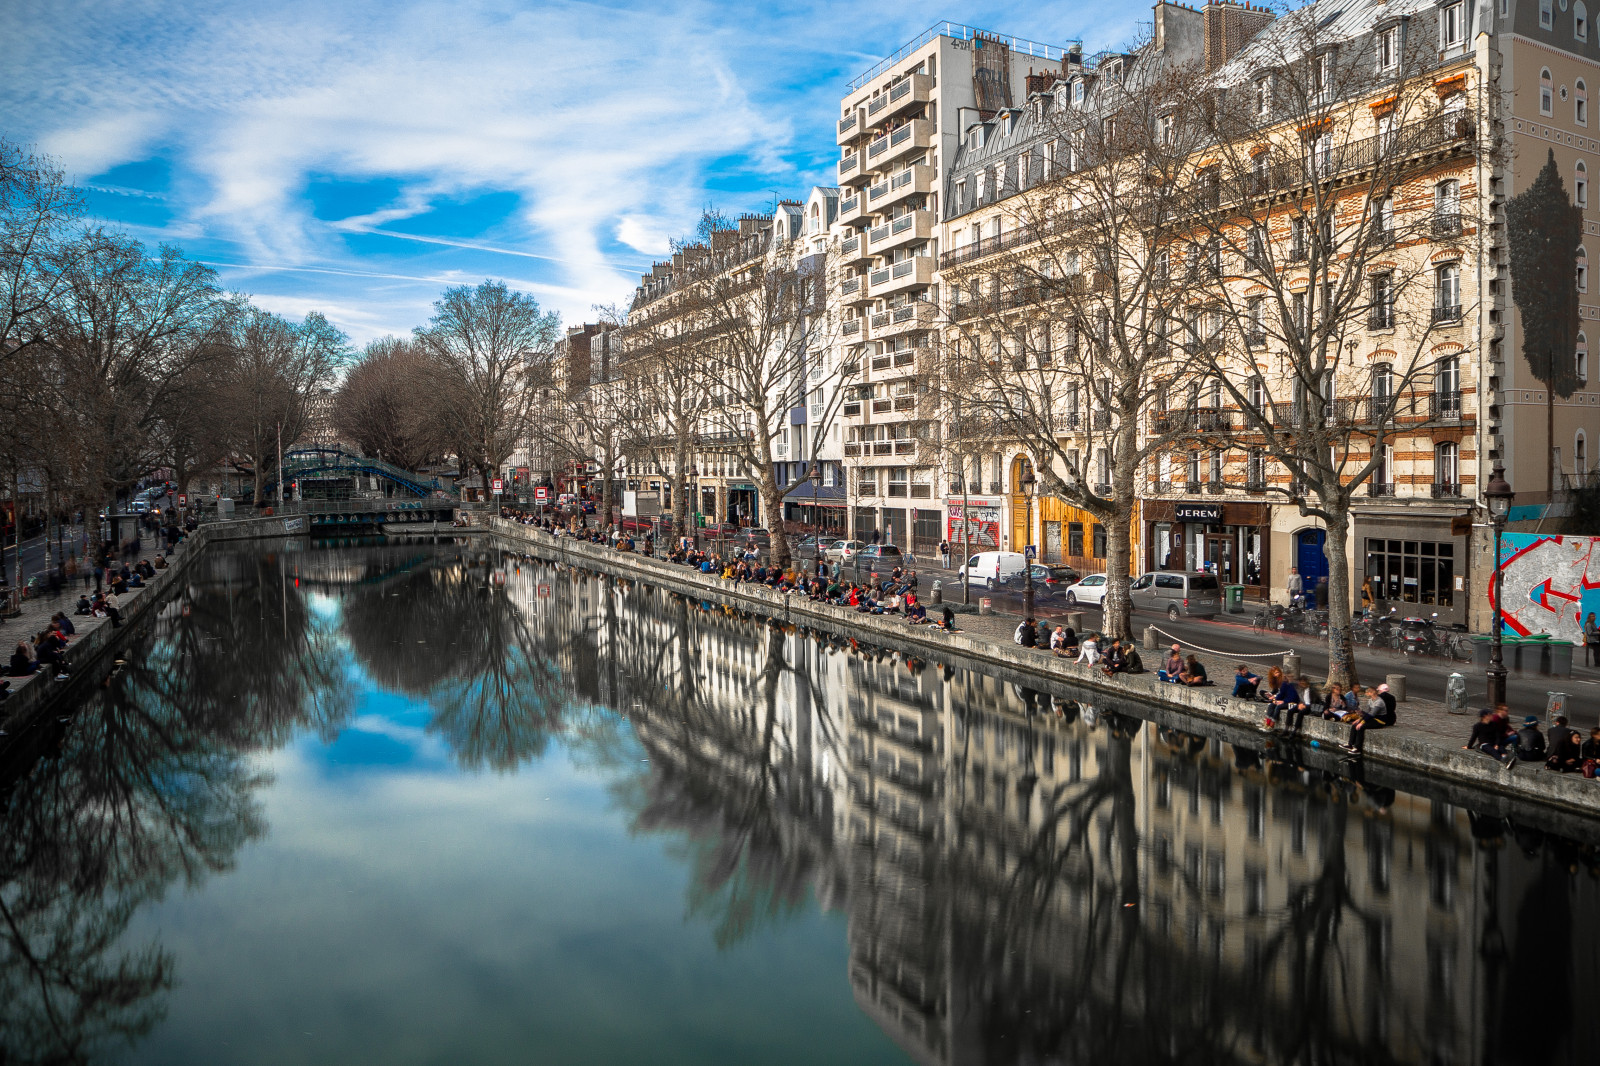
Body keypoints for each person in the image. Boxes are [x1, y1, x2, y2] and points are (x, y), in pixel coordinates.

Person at [1343, 686, 1396, 755]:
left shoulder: (1379, 702)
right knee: (1355, 725)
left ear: (1371, 693)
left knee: (1361, 727)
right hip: (1372, 718)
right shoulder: (1370, 701)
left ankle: (1357, 748)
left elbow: (1372, 714)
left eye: (1367, 692)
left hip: (1379, 721)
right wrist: (1359, 718)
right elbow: (1367, 712)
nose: (1366, 694)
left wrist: (1362, 722)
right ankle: (1350, 744)